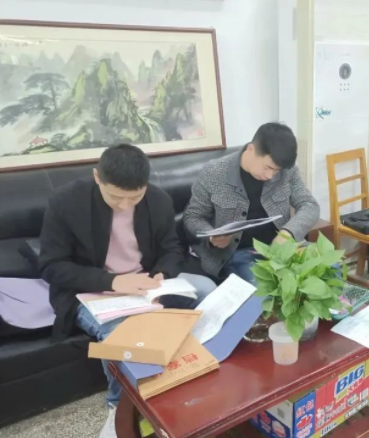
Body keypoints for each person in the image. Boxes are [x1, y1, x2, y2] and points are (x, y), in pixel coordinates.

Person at [39, 144, 217, 438]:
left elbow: (172, 248)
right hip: (90, 291)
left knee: (207, 290)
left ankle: (195, 375)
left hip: (145, 285)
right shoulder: (65, 203)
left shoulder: (158, 200)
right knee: (123, 333)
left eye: (134, 197)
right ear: (97, 177)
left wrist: (163, 273)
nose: (124, 205)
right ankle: (118, 406)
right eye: (115, 197)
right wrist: (112, 282)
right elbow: (51, 266)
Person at [183, 122, 320, 283]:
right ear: (251, 149)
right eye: (267, 167)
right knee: (264, 288)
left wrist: (288, 233)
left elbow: (309, 205)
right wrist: (212, 236)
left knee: (332, 270)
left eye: (276, 170)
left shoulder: (287, 170)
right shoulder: (214, 173)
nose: (270, 176)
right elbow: (193, 216)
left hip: (283, 248)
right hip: (240, 254)